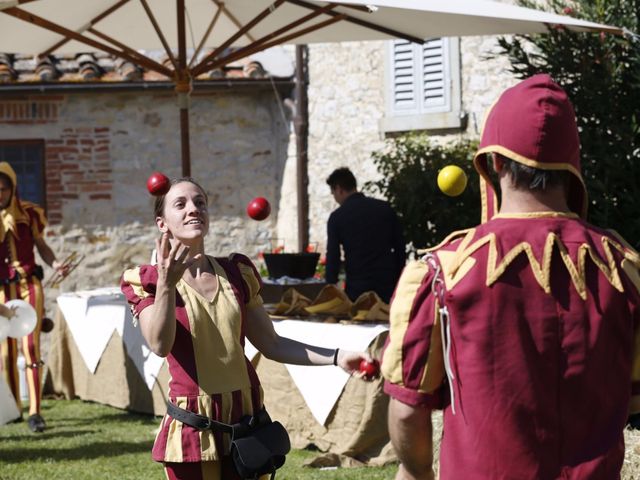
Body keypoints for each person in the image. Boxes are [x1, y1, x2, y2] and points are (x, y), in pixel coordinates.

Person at [381, 74, 640, 479]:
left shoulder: (440, 272)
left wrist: (417, 472)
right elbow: (631, 398)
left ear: (494, 162)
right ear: (571, 167)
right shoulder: (625, 269)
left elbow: (408, 409)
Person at [121, 177, 373, 480]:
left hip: (247, 422)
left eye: (200, 202)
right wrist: (165, 285)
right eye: (181, 204)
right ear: (162, 223)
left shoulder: (236, 273)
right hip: (195, 429)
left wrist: (338, 356)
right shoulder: (146, 280)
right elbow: (159, 345)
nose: (193, 209)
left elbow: (273, 344)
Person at [0, 161, 69, 433]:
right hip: (2, 291)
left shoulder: (29, 213)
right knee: (6, 351)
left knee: (31, 347)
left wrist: (56, 265)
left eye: (3, 189)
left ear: (12, 188)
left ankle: (35, 412)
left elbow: (43, 247)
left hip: (29, 285)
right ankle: (15, 406)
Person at [325, 167, 405, 303]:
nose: (335, 198)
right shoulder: (384, 209)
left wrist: (330, 288)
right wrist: (399, 280)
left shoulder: (337, 217)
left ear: (339, 189)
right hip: (387, 284)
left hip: (357, 287)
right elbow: (400, 247)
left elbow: (333, 256)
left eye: (333, 194)